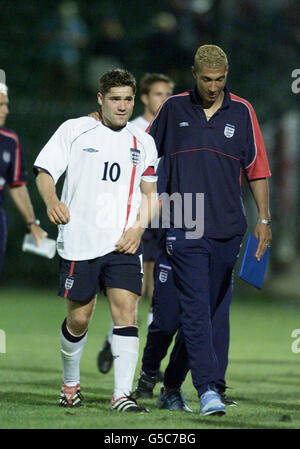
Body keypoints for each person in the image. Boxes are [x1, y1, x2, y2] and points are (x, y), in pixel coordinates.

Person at [135, 44, 272, 416]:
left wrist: (263, 218)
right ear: (194, 74)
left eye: (221, 79)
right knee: (194, 309)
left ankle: (171, 386)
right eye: (208, 79)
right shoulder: (173, 108)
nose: (214, 87)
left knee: (208, 313)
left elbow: (257, 169)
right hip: (184, 222)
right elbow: (143, 151)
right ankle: (209, 389)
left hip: (229, 228)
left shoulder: (243, 112)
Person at [33, 69, 158, 412]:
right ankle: (70, 383)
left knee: (127, 313)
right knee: (80, 319)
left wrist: (137, 229)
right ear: (100, 99)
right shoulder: (75, 129)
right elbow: (45, 172)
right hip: (80, 240)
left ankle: (122, 395)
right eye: (115, 99)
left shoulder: (143, 142)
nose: (122, 106)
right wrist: (52, 201)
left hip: (123, 243)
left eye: (128, 99)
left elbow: (151, 195)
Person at [96, 73, 174, 377]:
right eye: (158, 94)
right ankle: (114, 339)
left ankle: (144, 360)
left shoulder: (173, 129)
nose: (164, 99)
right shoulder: (134, 130)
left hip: (167, 215)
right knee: (136, 289)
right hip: (135, 219)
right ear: (144, 98)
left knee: (160, 288)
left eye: (168, 93)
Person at [0, 79, 46, 272]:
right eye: (1, 105)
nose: (6, 110)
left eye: (6, 105)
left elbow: (17, 185)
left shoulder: (9, 140)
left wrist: (32, 223)